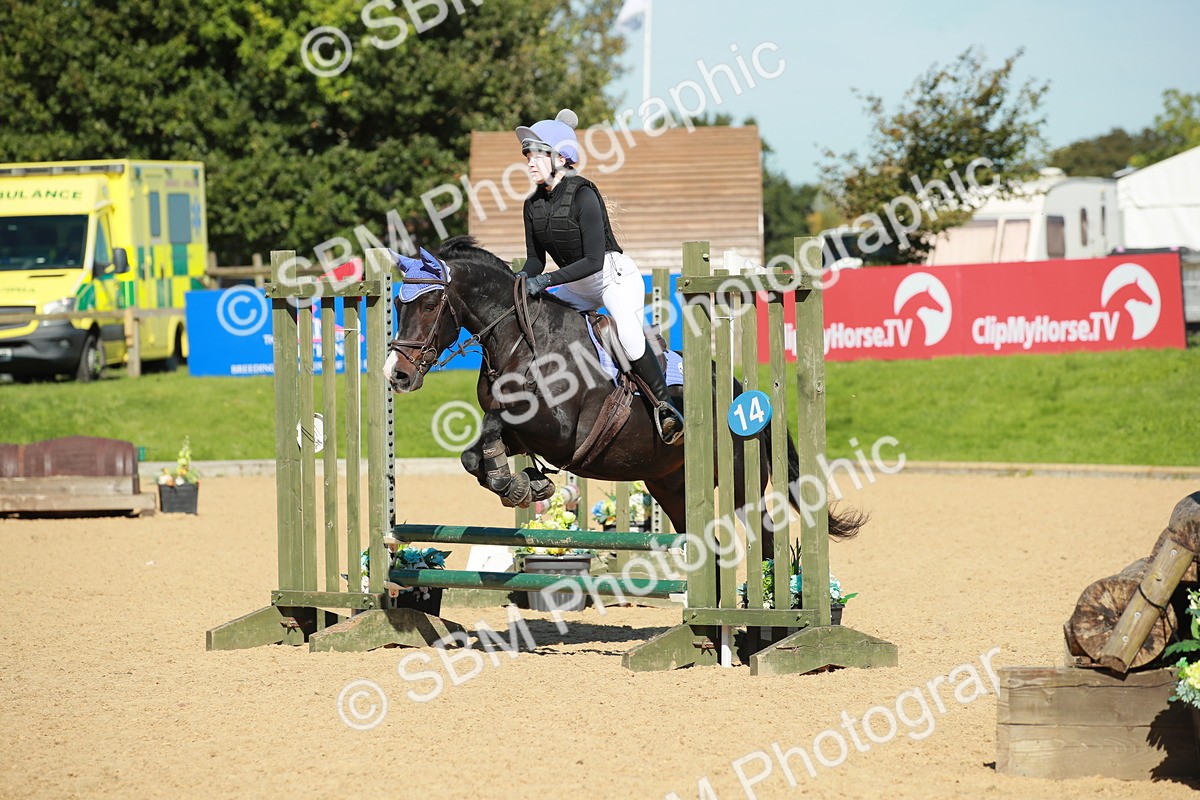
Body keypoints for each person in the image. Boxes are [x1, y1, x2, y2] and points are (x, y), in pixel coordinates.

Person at [514, 109, 683, 445]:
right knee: (535, 319)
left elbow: (593, 261)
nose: (530, 162)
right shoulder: (532, 205)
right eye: (527, 155)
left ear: (561, 157)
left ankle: (666, 407)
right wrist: (520, 277)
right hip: (575, 284)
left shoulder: (583, 195)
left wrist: (545, 282)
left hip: (612, 277)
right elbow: (536, 260)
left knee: (631, 338)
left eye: (537, 154)